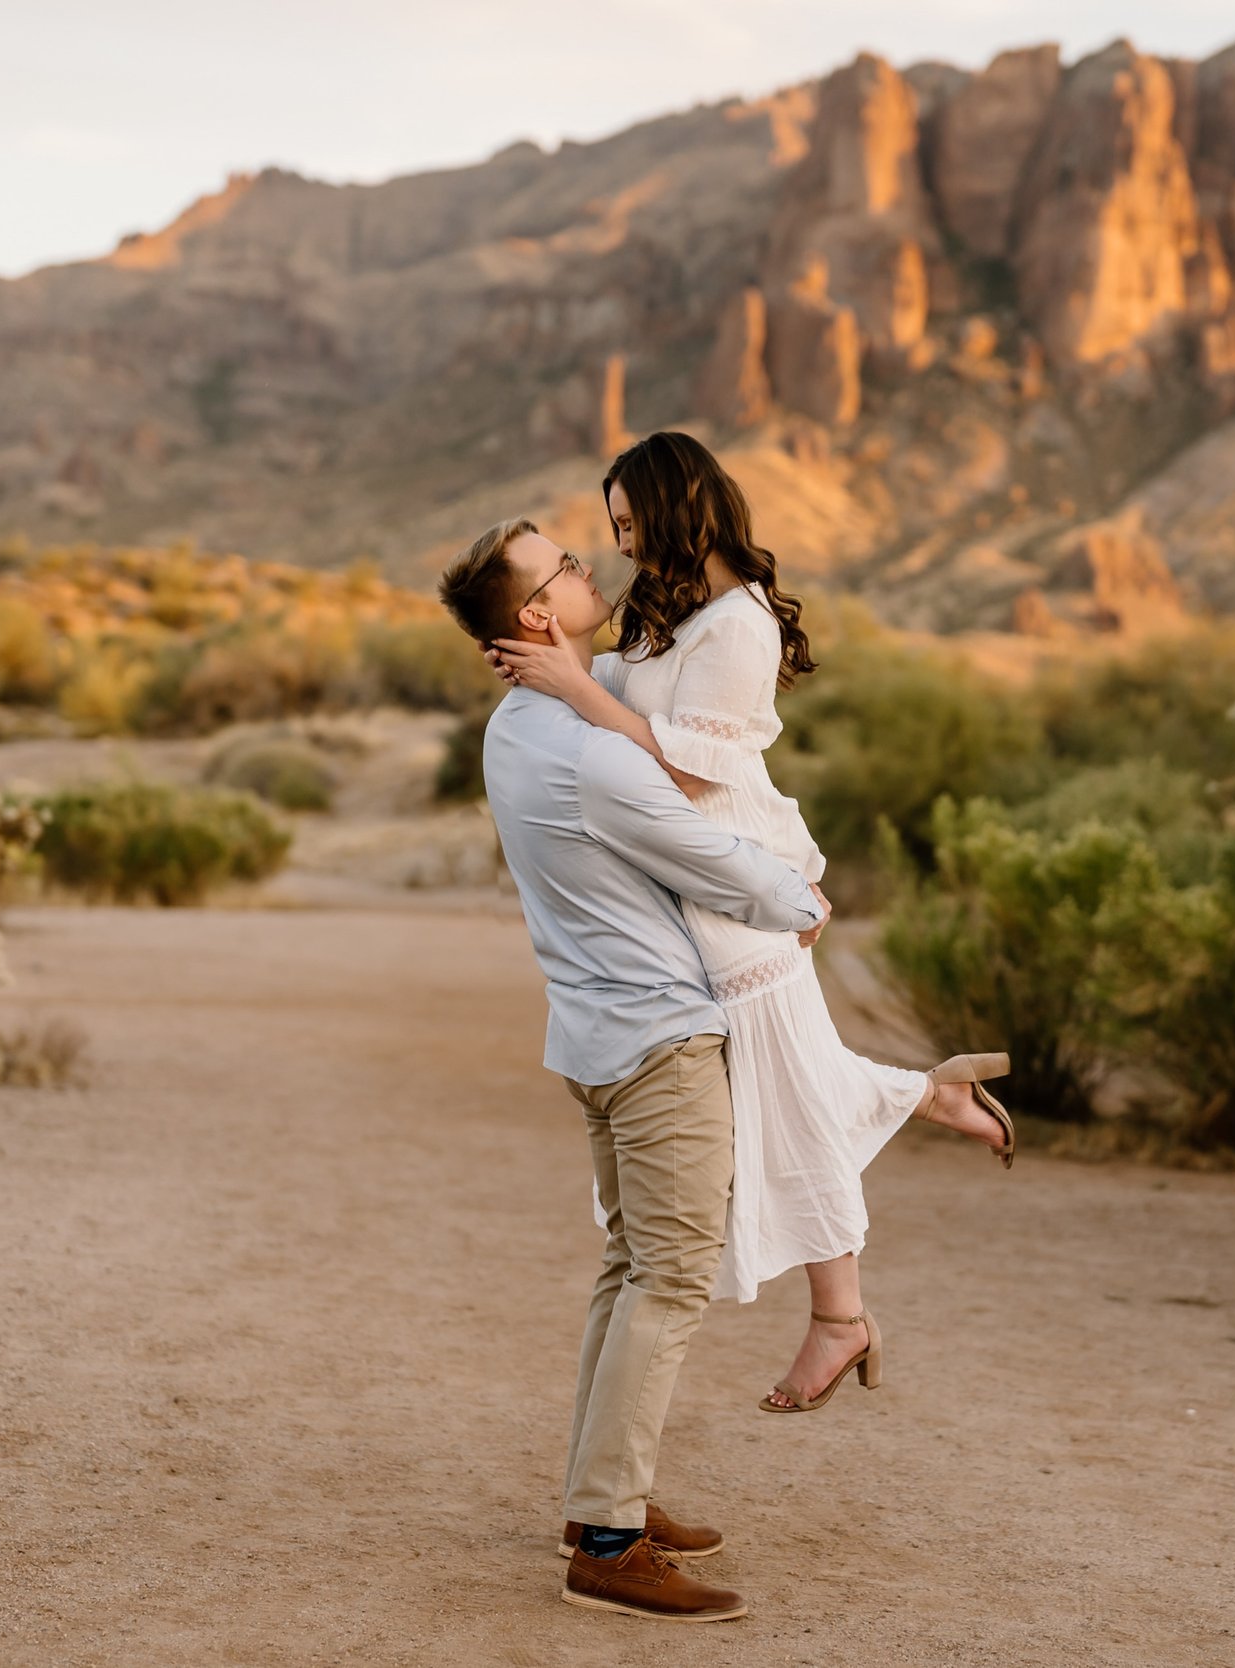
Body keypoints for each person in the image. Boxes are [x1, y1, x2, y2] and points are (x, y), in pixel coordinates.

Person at [489, 431, 1014, 1417]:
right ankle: (919, 1114)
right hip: (687, 883)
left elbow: (688, 772)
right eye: (614, 530)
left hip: (736, 891)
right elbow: (621, 723)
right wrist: (559, 669)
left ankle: (841, 1310)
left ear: (679, 510)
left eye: (634, 523)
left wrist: (574, 688)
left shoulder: (738, 628)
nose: (625, 546)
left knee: (784, 1089)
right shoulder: (665, 614)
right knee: (787, 1080)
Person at [440, 515, 819, 1624]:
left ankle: (601, 1499)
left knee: (630, 1266)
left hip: (596, 1034)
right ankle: (608, 1544)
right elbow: (698, 846)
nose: (587, 564)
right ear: (534, 614)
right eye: (564, 564)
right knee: (671, 1271)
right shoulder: (589, 751)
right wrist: (796, 899)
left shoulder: (518, 727)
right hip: (657, 1040)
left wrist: (584, 668)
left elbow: (625, 679)